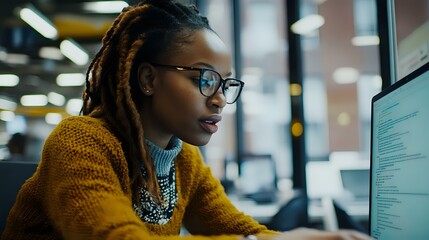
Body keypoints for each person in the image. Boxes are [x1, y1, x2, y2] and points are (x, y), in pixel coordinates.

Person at [1, 1, 371, 239]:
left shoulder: (184, 160)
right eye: (205, 79)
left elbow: (239, 229)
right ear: (148, 79)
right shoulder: (81, 143)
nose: (221, 99)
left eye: (226, 84)